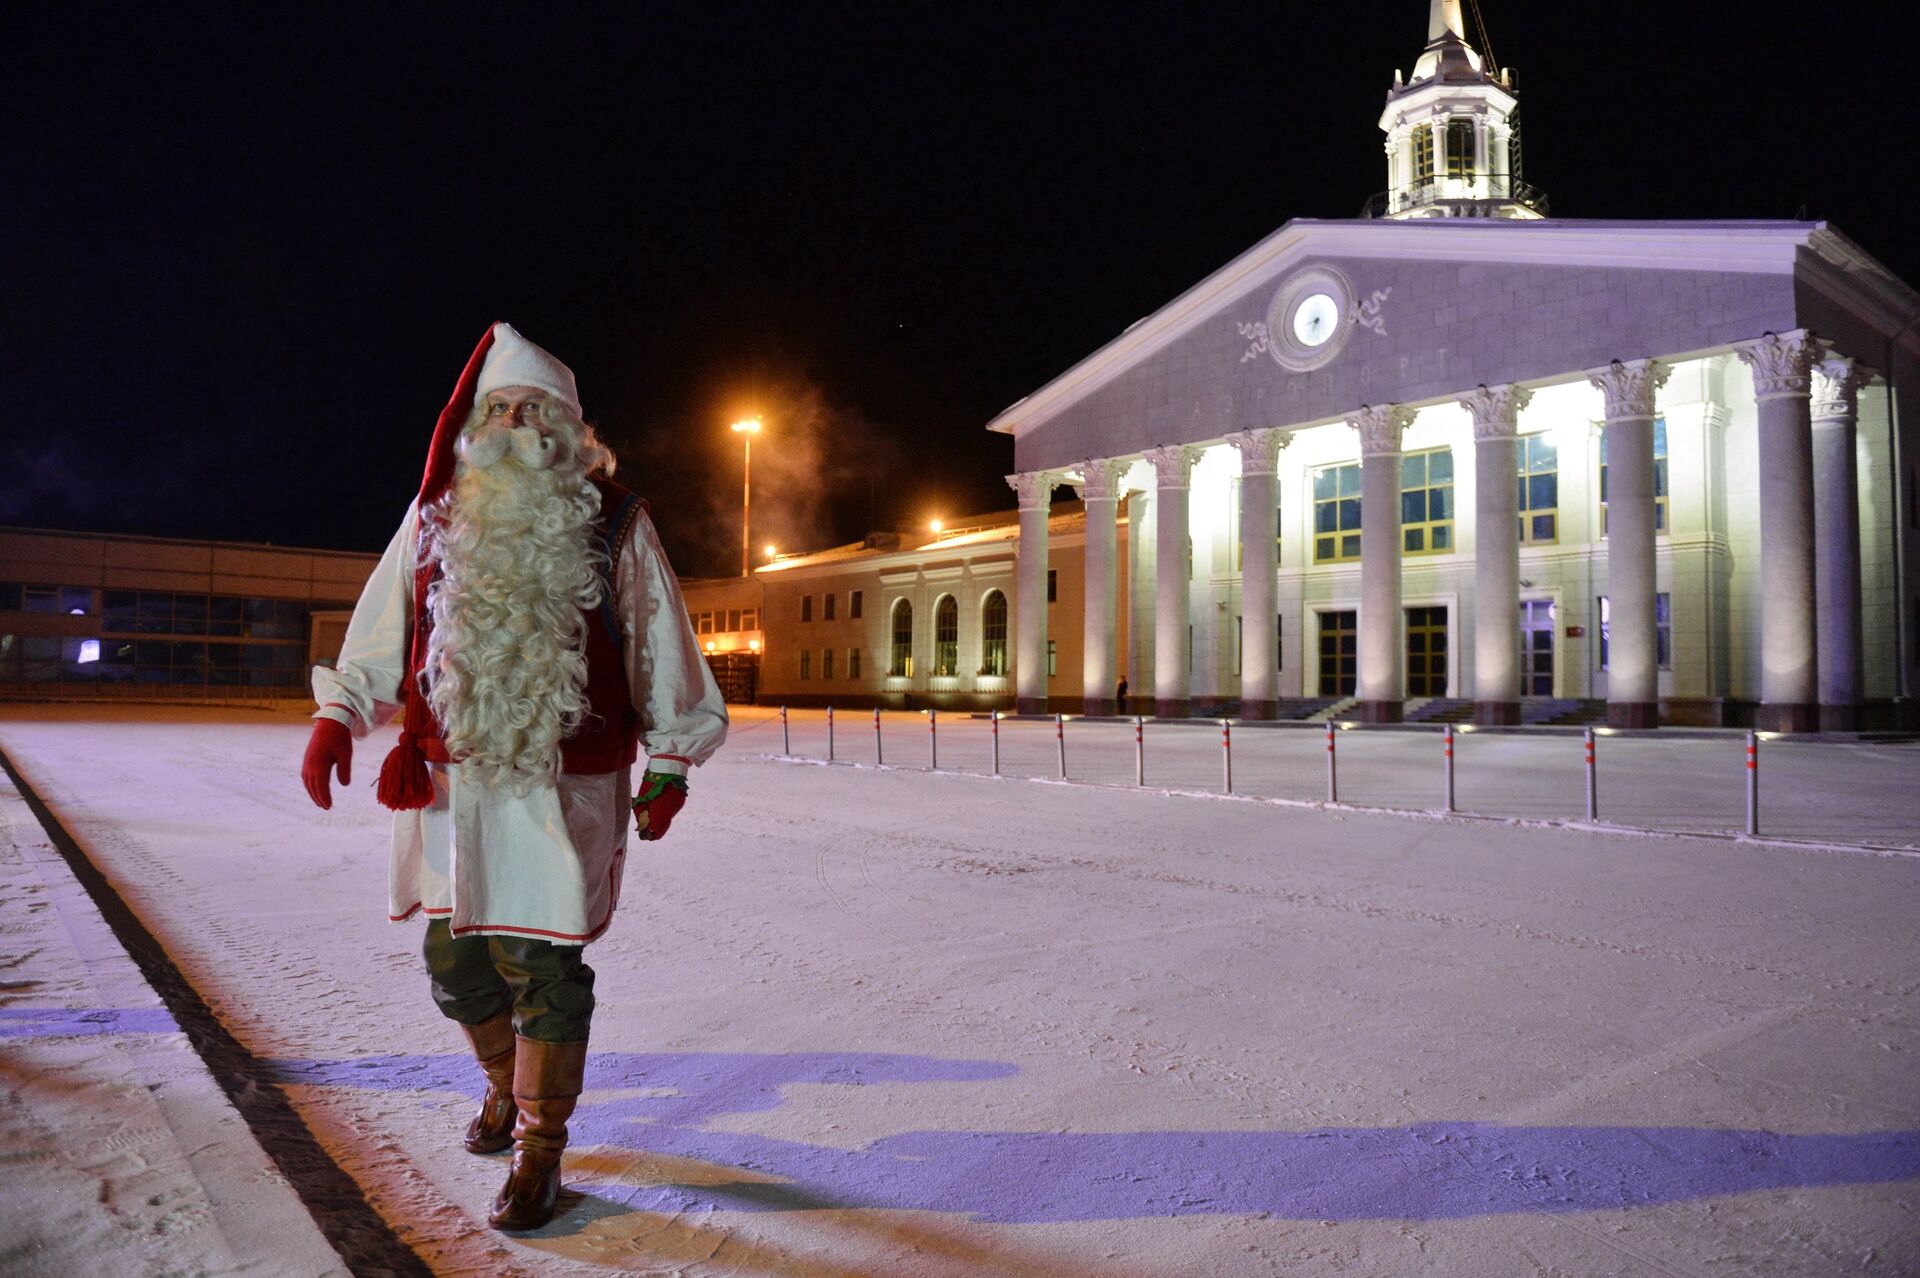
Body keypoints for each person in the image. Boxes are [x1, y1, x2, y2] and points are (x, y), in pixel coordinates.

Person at [299, 322, 728, 1231]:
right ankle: (507, 1090)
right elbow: (385, 627)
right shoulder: (433, 516)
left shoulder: (615, 520)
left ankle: (540, 1150)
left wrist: (674, 763)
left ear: (571, 431)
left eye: (535, 410)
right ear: (473, 425)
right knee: (454, 967)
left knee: (543, 967)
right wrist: (339, 715)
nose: (515, 424)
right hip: (454, 789)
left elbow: (663, 645)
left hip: (560, 792)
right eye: (499, 407)